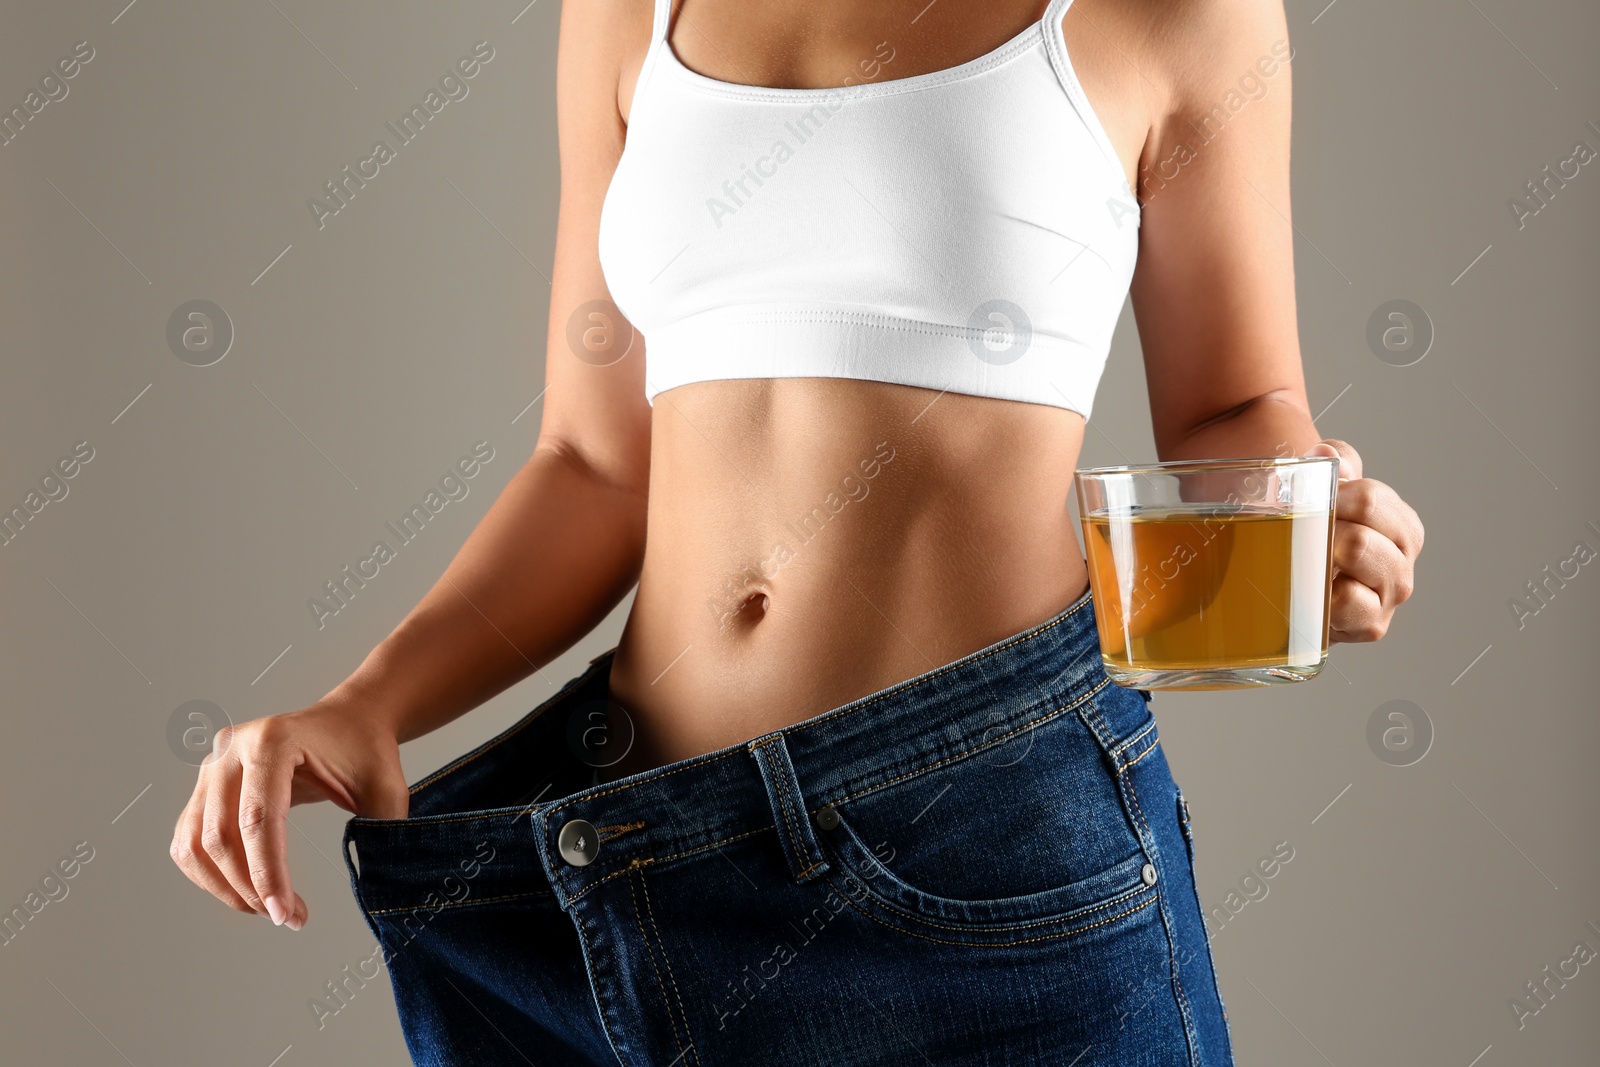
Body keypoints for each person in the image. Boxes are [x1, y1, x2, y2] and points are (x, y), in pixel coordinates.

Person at [171, 0, 1423, 1063]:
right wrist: (371, 700)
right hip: (640, 865)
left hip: (989, 858)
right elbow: (596, 464)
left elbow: (1232, 408)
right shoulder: (624, 12)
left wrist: (1292, 516)